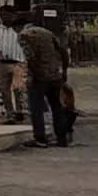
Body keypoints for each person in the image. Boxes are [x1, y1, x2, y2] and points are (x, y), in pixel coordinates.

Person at [19, 8, 76, 146]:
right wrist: (64, 71)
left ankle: (40, 138)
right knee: (56, 106)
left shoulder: (24, 35)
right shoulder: (48, 33)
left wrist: (33, 75)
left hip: (40, 77)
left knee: (36, 108)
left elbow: (31, 57)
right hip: (55, 76)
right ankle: (62, 138)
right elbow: (63, 52)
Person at [0, 14, 27, 128]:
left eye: (8, 14)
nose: (5, 17)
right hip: (1, 62)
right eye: (3, 15)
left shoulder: (19, 30)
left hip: (18, 62)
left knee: (18, 88)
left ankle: (20, 112)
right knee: (4, 90)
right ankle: (10, 114)